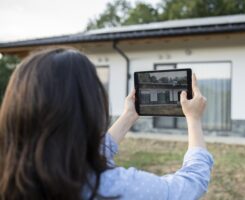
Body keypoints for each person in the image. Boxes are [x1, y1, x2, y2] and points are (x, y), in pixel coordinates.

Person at [0, 47, 214, 200]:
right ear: (90, 107)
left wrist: (129, 115)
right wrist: (193, 119)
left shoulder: (13, 176)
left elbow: (90, 152)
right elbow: (190, 184)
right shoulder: (115, 188)